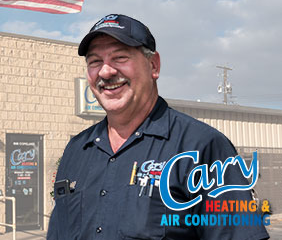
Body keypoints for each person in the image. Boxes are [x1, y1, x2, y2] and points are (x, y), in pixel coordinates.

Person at [47, 14, 269, 239]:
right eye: (95, 61)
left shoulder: (203, 147)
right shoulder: (76, 149)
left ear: (154, 65)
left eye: (120, 57)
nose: (106, 71)